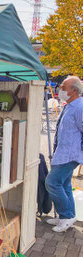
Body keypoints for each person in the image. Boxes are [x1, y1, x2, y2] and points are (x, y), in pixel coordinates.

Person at [45, 76, 83, 232]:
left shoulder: (80, 107)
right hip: (63, 153)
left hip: (70, 154)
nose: (60, 90)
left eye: (63, 87)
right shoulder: (70, 105)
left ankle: (66, 216)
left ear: (74, 90)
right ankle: (66, 216)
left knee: (52, 183)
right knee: (65, 185)